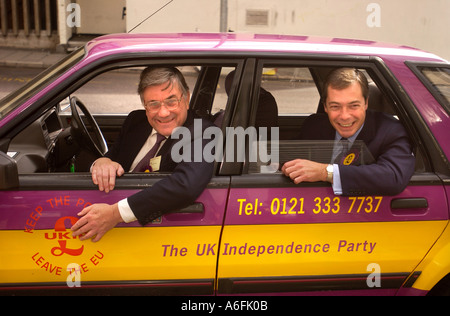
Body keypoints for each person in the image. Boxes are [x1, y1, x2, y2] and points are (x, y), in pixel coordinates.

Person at [71, 67, 215, 242]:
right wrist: (102, 161)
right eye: (153, 104)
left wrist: (115, 214)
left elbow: (185, 185)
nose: (163, 112)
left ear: (186, 99)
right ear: (145, 106)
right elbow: (113, 156)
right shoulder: (136, 121)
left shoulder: (204, 133)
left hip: (155, 235)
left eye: (171, 101)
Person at [281, 68, 415, 196]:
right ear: (325, 107)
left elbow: (394, 176)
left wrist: (325, 172)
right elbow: (283, 157)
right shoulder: (315, 126)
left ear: (366, 103)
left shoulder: (390, 130)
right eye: (335, 106)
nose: (344, 116)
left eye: (353, 106)